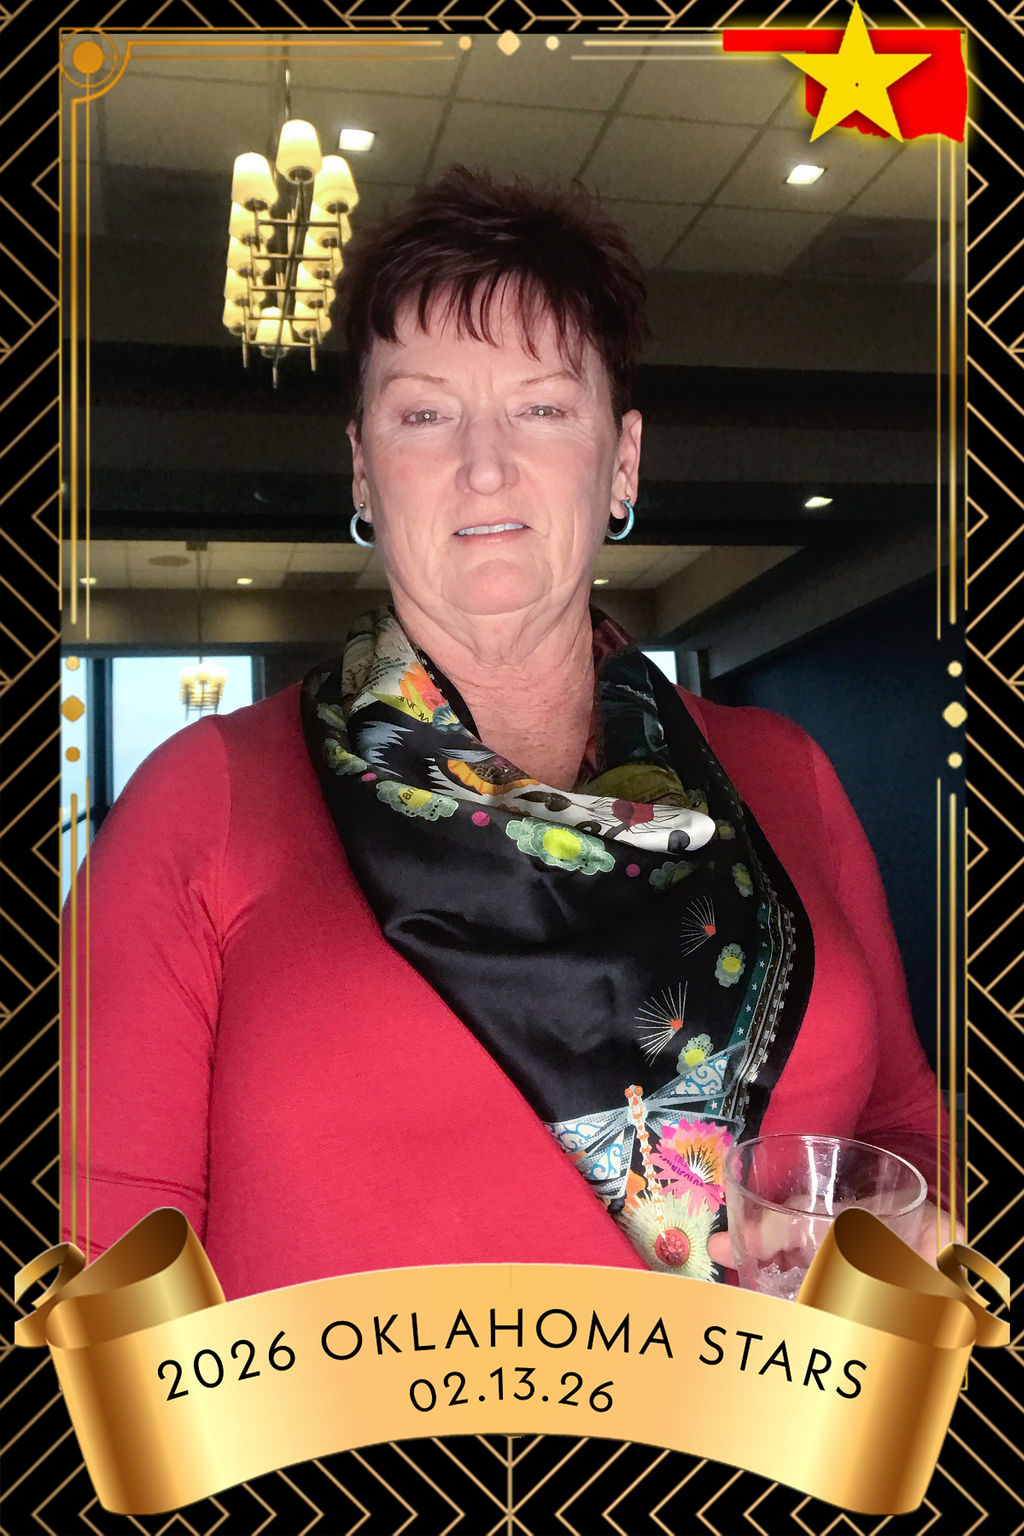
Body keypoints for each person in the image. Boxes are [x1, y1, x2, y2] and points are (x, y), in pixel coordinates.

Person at [61, 167, 949, 1301]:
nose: (484, 466)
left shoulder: (784, 775)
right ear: (363, 470)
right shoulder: (204, 801)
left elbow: (903, 1126)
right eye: (424, 414)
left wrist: (892, 1235)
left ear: (622, 460)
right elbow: (102, 1278)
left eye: (543, 408)